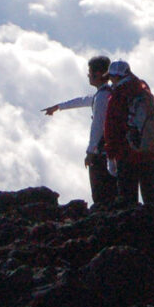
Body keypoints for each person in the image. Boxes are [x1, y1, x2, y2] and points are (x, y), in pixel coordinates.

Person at [42, 56, 117, 207]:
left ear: (98, 74)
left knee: (102, 195)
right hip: (113, 152)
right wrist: (59, 107)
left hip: (102, 153)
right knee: (113, 192)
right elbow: (83, 100)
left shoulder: (102, 97)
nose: (88, 76)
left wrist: (91, 152)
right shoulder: (108, 93)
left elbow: (97, 127)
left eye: (90, 72)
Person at [103, 60, 154, 206]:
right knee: (153, 198)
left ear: (116, 77)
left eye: (110, 77)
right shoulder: (143, 89)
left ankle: (133, 227)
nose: (110, 80)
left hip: (127, 154)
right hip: (150, 152)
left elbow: (111, 128)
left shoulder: (118, 96)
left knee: (128, 201)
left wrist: (111, 156)